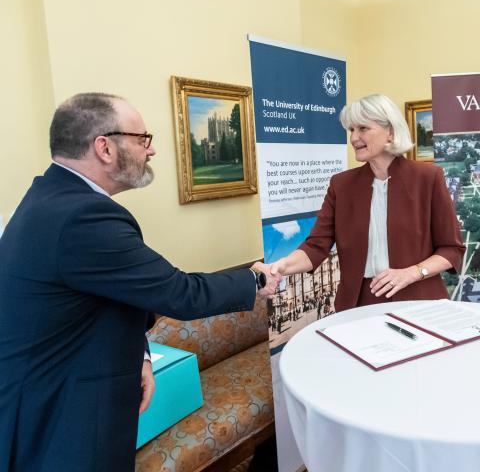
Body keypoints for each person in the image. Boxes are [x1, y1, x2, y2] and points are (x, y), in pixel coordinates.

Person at [0, 92, 279, 472]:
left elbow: (113, 293)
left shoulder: (51, 196)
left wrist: (140, 354)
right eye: (142, 138)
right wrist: (253, 279)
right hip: (63, 420)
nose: (151, 151)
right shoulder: (84, 216)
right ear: (104, 147)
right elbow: (178, 293)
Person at [268, 94, 465, 312]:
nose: (353, 137)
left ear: (390, 132)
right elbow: (316, 246)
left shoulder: (428, 177)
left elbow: (452, 249)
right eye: (351, 130)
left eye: (363, 128)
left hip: (418, 301)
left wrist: (412, 273)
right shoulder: (341, 185)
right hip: (359, 303)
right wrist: (282, 266)